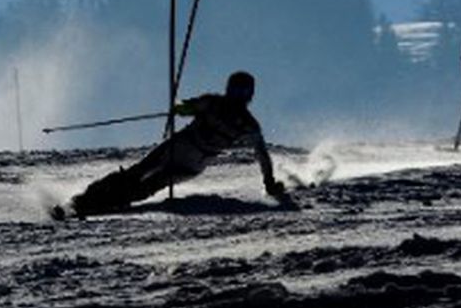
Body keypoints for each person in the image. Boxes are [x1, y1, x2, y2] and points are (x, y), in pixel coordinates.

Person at [53, 71, 286, 219]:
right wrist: (180, 107)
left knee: (147, 186)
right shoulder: (212, 102)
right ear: (229, 88)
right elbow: (186, 106)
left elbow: (262, 155)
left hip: (192, 163)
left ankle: (106, 203)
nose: (238, 95)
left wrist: (269, 181)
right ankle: (83, 200)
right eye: (235, 89)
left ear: (250, 94)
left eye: (243, 90)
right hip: (177, 146)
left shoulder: (249, 125)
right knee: (135, 173)